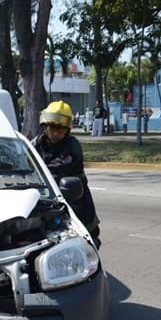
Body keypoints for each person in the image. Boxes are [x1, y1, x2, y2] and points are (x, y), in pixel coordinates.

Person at [33, 101, 101, 246]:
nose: (56, 133)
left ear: (67, 130)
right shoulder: (35, 145)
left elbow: (61, 167)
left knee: (87, 235)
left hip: (74, 199)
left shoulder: (72, 146)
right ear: (45, 127)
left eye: (61, 130)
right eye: (53, 128)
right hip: (44, 199)